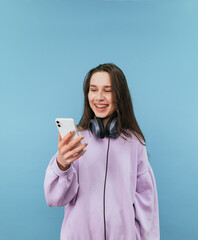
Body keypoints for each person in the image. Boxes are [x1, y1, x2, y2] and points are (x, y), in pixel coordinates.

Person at [44, 63, 160, 240]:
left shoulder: (135, 143)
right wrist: (62, 165)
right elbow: (54, 198)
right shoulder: (75, 139)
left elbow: (147, 205)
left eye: (108, 90)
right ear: (87, 94)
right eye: (93, 89)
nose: (99, 97)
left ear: (120, 95)